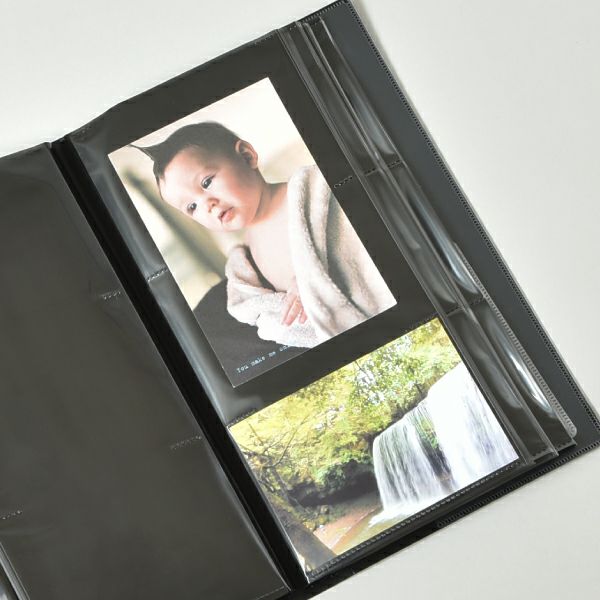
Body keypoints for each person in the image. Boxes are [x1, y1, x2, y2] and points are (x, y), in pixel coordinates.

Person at [138, 121, 396, 348]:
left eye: (206, 183)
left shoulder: (309, 193)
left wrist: (308, 280)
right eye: (192, 207)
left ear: (247, 156)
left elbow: (351, 234)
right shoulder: (246, 258)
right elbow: (265, 310)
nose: (207, 205)